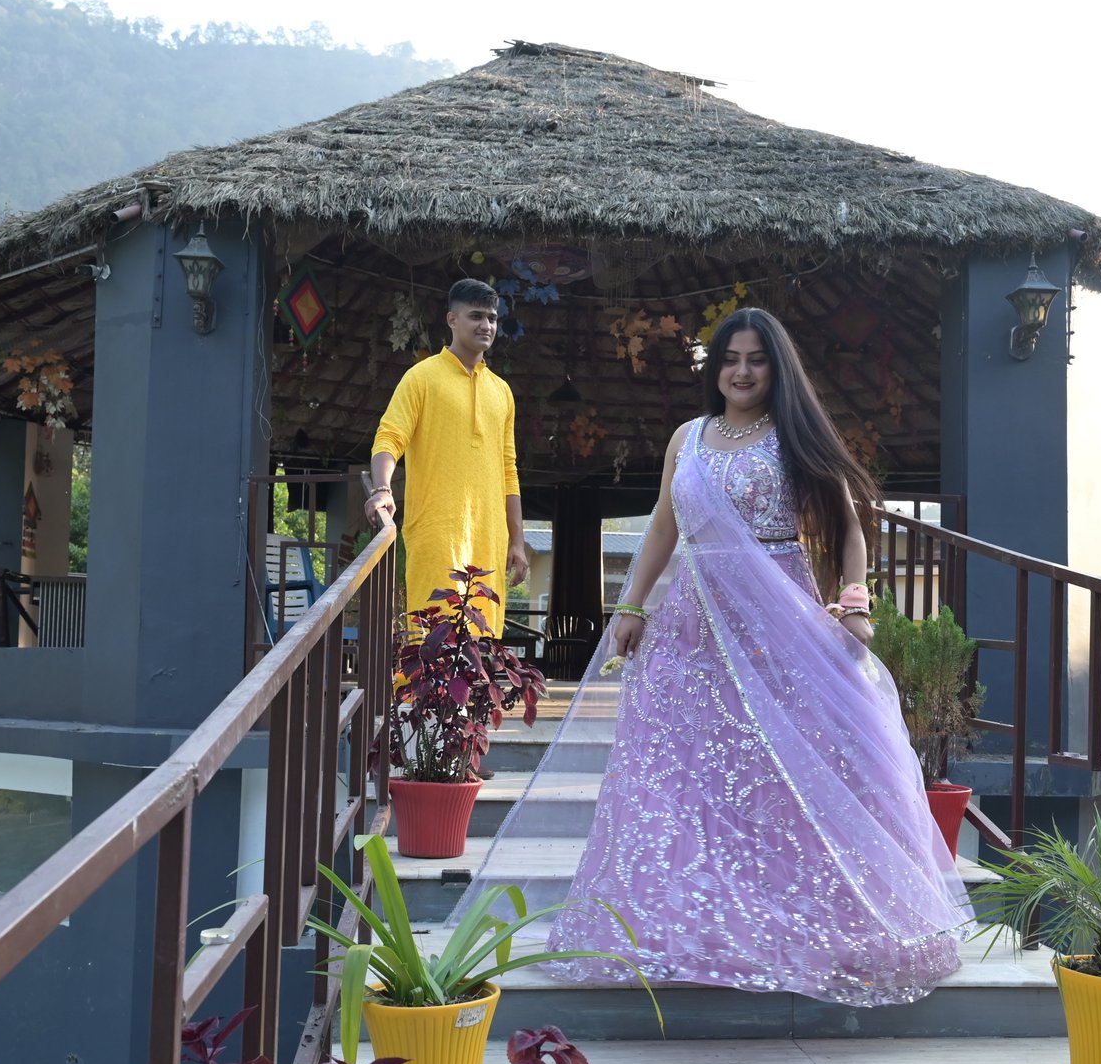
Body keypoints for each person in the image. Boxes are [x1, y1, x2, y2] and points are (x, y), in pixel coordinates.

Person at [480, 307, 970, 1007]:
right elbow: (663, 526)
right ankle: (686, 924)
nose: (742, 371)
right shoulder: (689, 438)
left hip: (777, 624)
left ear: (777, 370)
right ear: (715, 367)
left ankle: (790, 923)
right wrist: (631, 605)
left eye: (757, 360)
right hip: (690, 623)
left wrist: (855, 604)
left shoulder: (792, 437)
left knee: (773, 776)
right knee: (679, 772)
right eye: (731, 358)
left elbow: (850, 526)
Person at [366, 279, 529, 634]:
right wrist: (382, 488)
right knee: (431, 642)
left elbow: (508, 471)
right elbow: (390, 437)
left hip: (490, 538)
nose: (486, 326)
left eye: (492, 318)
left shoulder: (502, 392)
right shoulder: (421, 378)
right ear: (452, 320)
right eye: (476, 316)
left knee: (481, 650)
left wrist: (516, 541)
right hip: (436, 532)